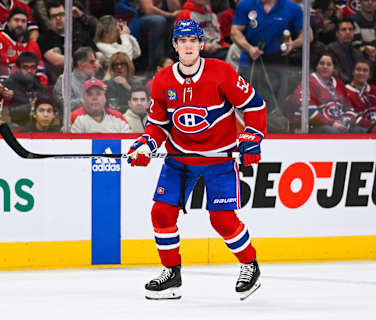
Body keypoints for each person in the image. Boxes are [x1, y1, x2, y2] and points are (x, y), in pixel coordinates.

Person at [126, 19, 266, 300]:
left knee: (223, 220)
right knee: (161, 213)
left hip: (219, 159)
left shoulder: (222, 72)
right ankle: (171, 274)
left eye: (193, 41)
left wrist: (252, 137)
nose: (188, 46)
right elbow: (158, 124)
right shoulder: (163, 80)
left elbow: (255, 106)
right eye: (182, 41)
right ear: (175, 46)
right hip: (180, 159)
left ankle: (250, 265)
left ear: (201, 44)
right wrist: (145, 144)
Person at [231, 0, 310, 133]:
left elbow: (308, 35)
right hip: (250, 61)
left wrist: (293, 44)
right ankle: (245, 138)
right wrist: (249, 48)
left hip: (277, 63)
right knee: (244, 104)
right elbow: (235, 32)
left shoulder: (292, 8)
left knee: (275, 108)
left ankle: (274, 139)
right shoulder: (246, 4)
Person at [293, 52, 353, 133]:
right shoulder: (309, 83)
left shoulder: (339, 84)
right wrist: (333, 124)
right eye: (321, 63)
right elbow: (310, 113)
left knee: (357, 130)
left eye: (329, 64)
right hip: (312, 126)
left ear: (333, 68)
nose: (325, 67)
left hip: (336, 124)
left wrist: (347, 121)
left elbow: (349, 108)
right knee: (332, 131)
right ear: (316, 66)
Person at [0, 7, 47, 85]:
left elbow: (41, 72)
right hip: (4, 87)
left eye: (23, 21)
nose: (20, 24)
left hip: (28, 89)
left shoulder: (33, 45)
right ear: (8, 22)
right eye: (16, 20)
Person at [4, 52, 46, 126]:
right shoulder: (9, 85)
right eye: (25, 67)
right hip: (15, 125)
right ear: (18, 68)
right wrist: (31, 106)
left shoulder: (39, 85)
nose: (29, 70)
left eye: (32, 67)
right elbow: (8, 113)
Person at [54, 46, 100, 110]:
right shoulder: (65, 79)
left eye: (95, 62)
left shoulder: (95, 81)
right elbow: (64, 105)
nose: (95, 65)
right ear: (80, 64)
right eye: (91, 62)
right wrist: (89, 100)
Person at [345, 59, 376, 132]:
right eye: (358, 70)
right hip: (363, 129)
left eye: (365, 70)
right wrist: (373, 127)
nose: (361, 73)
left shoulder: (374, 89)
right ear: (353, 72)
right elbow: (352, 117)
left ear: (369, 74)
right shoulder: (345, 91)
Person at [327, 18, 365, 84]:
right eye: (344, 30)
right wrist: (352, 82)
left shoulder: (357, 53)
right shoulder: (330, 49)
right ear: (337, 33)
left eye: (350, 29)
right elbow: (335, 71)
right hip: (340, 86)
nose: (348, 32)